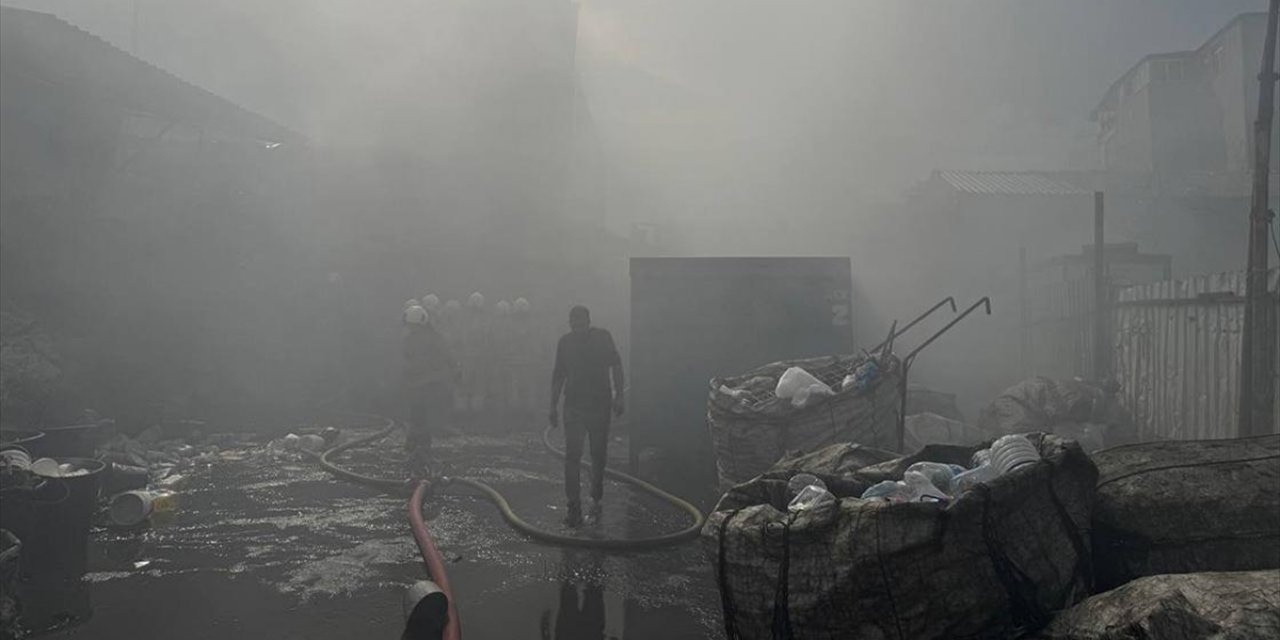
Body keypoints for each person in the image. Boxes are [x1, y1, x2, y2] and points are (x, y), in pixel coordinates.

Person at [549, 305, 624, 527]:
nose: (577, 326)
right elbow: (558, 376)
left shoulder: (603, 337)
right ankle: (573, 505)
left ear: (588, 321)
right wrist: (552, 406)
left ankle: (596, 492)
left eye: (580, 321)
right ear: (570, 323)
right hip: (574, 406)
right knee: (573, 455)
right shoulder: (565, 343)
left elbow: (616, 366)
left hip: (600, 405)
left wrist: (620, 396)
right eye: (573, 322)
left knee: (598, 453)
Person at [402, 304, 457, 475]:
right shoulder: (432, 337)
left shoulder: (415, 338)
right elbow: (448, 356)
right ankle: (420, 446)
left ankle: (418, 446)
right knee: (421, 414)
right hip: (426, 383)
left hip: (425, 383)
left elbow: (446, 356)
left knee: (420, 414)